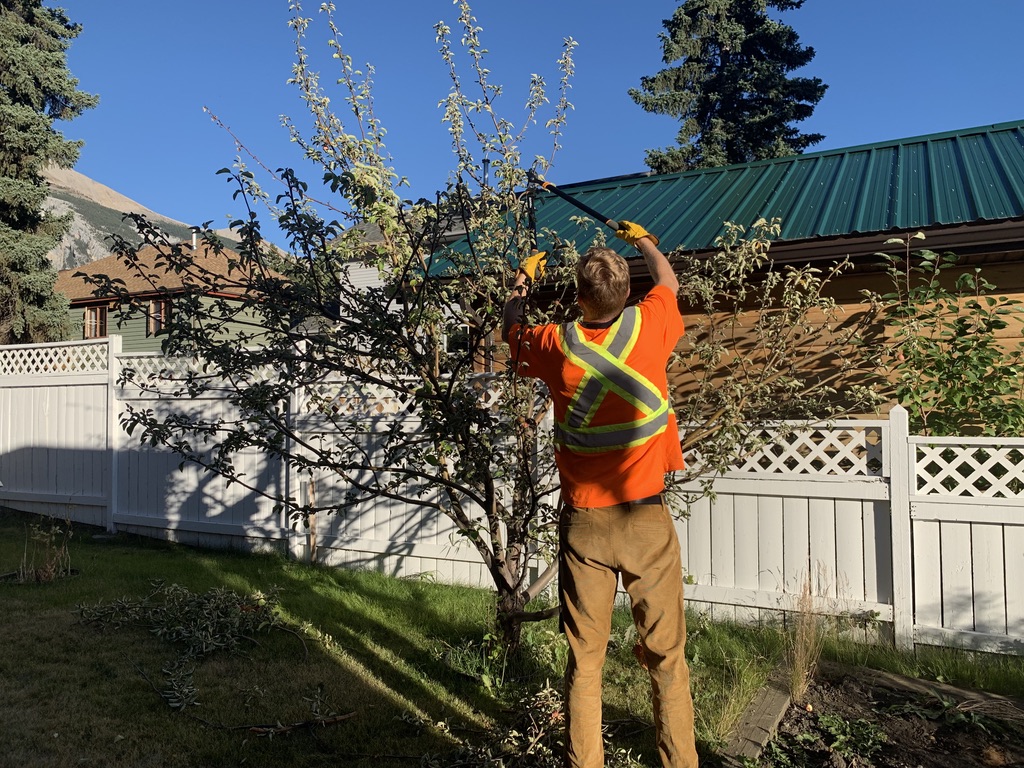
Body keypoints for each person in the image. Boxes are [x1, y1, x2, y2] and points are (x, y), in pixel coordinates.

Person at [501, 221, 698, 768]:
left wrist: (522, 279)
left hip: (585, 523)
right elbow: (669, 280)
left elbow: (511, 326)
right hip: (647, 520)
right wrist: (645, 241)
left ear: (579, 297)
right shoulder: (650, 323)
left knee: (585, 662)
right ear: (624, 293)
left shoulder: (556, 343)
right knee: (667, 659)